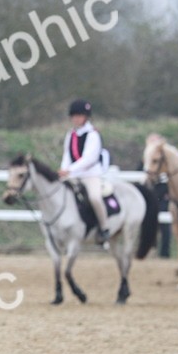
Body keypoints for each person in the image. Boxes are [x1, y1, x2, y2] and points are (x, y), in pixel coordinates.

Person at [58, 99, 110, 245]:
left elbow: (89, 159)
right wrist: (64, 170)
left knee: (94, 198)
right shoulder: (71, 135)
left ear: (85, 117)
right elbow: (67, 155)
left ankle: (104, 228)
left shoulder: (93, 134)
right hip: (73, 175)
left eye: (79, 116)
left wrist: (69, 170)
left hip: (90, 175)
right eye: (74, 116)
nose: (76, 119)